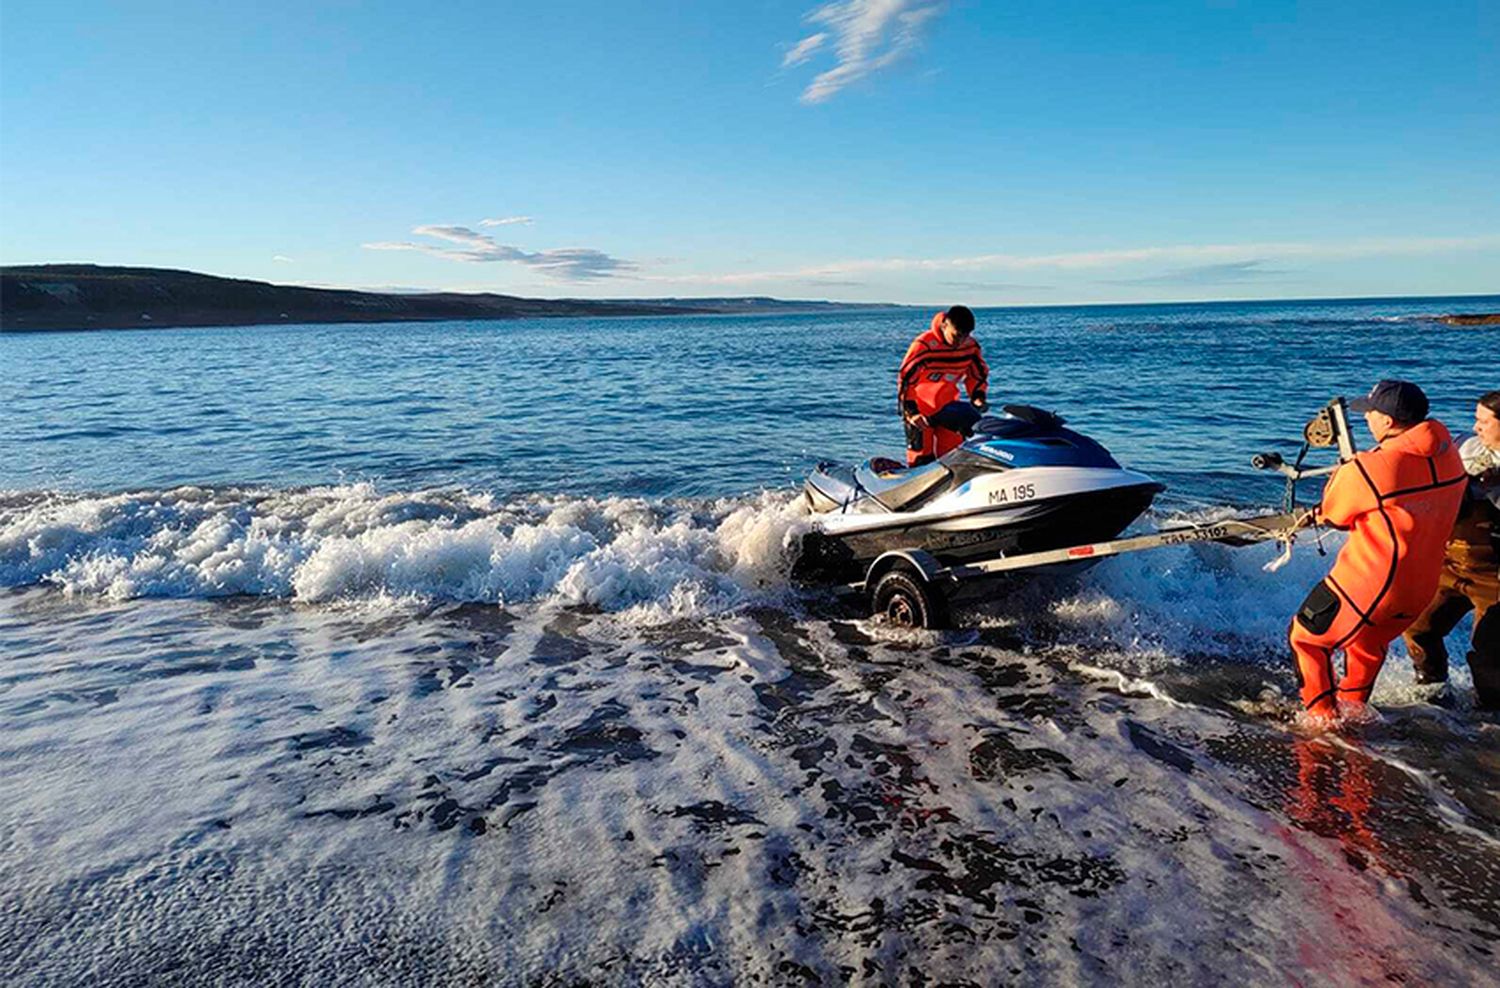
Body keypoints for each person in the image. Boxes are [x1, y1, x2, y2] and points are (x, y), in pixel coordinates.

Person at [1287, 380, 1466, 726]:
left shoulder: (1371, 467)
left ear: (1386, 421)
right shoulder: (1451, 454)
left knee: (1307, 638)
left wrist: (1349, 470)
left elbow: (1334, 513)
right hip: (1420, 588)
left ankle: (1321, 722)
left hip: (1372, 584)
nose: (1367, 419)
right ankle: (1353, 715)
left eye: (1370, 413)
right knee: (1366, 644)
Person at [1402, 389, 1500, 710]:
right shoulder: (1465, 447)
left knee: (1489, 654)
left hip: (1495, 578)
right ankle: (1433, 699)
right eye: (1475, 419)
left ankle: (1486, 722)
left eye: (1483, 421)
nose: (1476, 427)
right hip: (1450, 566)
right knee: (1417, 627)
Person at [897, 305, 989, 466]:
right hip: (921, 409)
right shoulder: (923, 346)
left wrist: (977, 396)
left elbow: (977, 374)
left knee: (953, 458)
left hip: (948, 407)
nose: (959, 342)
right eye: (956, 336)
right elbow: (906, 380)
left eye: (965, 336)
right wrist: (911, 412)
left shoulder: (970, 347)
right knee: (921, 459)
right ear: (945, 325)